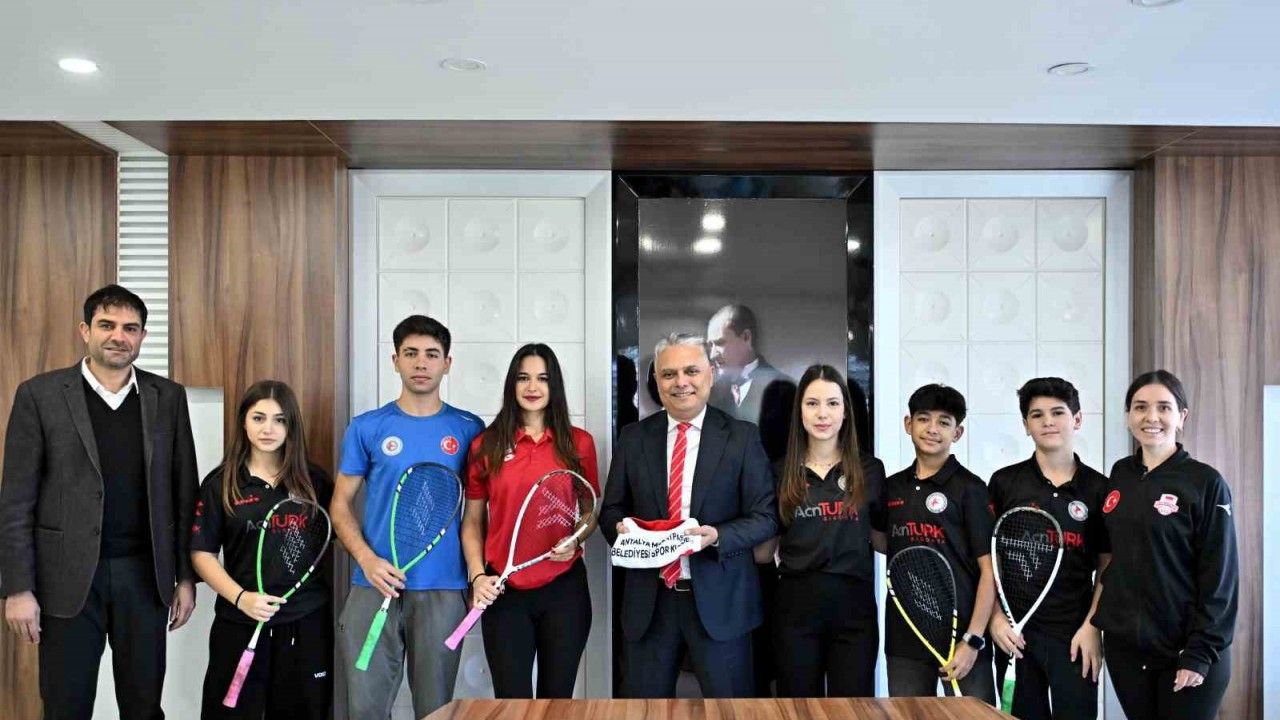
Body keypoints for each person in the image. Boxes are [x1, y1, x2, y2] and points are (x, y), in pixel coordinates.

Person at [0, 284, 198, 720]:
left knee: (143, 706)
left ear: (142, 336)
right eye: (107, 325)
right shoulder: (40, 396)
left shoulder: (168, 397)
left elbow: (184, 492)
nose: (118, 336)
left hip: (145, 578)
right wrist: (18, 587)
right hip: (66, 579)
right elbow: (15, 500)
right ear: (85, 330)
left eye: (130, 328)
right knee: (65, 707)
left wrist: (185, 576)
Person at [600, 332, 778, 698]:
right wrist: (620, 530)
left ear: (710, 374)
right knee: (643, 711)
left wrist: (718, 536)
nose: (681, 382)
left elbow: (765, 517)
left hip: (720, 603)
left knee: (731, 711)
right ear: (657, 381)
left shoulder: (742, 437)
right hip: (650, 606)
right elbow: (611, 510)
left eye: (691, 371)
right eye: (669, 374)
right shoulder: (633, 438)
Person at [330, 315, 484, 719]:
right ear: (395, 360)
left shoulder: (470, 429)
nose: (421, 363)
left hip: (444, 590)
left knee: (436, 710)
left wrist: (477, 575)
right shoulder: (367, 427)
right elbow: (339, 505)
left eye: (432, 354)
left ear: (447, 364)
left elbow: (476, 513)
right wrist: (367, 560)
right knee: (364, 709)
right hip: (373, 585)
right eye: (411, 353)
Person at [1091, 370, 1237, 720]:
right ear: (1128, 416)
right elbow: (1113, 559)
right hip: (1128, 650)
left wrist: (1200, 652)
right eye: (1140, 407)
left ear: (1181, 416)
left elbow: (1220, 577)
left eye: (1164, 407)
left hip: (1187, 650)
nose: (1151, 417)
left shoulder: (1205, 482)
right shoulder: (1120, 474)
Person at [461, 344, 600, 698]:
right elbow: (473, 521)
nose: (532, 387)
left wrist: (576, 538)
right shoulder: (486, 445)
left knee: (558, 703)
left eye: (543, 378)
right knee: (512, 705)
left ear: (555, 386)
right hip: (504, 590)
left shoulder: (579, 443)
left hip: (564, 589)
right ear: (512, 384)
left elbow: (590, 509)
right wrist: (477, 577)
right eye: (523, 378)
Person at [191, 380, 334, 719]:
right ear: (243, 422)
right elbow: (201, 554)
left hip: (305, 622)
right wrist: (242, 598)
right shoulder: (221, 483)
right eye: (258, 418)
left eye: (279, 420)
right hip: (239, 621)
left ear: (291, 426)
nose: (268, 429)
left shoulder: (314, 482)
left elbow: (341, 533)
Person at [987, 378, 1110, 720]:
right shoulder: (1004, 482)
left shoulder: (1099, 488)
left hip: (1075, 635)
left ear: (1077, 419)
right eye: (1037, 415)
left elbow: (1108, 565)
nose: (1048, 422)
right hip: (1014, 635)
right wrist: (995, 617)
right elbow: (988, 562)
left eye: (1058, 412)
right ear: (1026, 425)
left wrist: (1093, 627)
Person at [759, 365, 885, 697]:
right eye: (812, 403)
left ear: (846, 412)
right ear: (799, 411)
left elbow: (882, 541)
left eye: (832, 403)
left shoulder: (870, 469)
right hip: (795, 607)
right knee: (798, 709)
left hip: (854, 608)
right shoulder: (778, 471)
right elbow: (763, 552)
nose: (822, 414)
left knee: (854, 709)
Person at [872, 383, 997, 703]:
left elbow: (989, 571)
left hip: (962, 638)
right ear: (908, 424)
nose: (932, 429)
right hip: (905, 638)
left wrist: (973, 640)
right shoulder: (891, 487)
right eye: (924, 418)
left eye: (944, 422)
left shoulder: (971, 489)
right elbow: (885, 543)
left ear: (958, 433)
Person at [704, 303, 795, 696]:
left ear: (746, 337)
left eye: (719, 342)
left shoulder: (783, 388)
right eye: (709, 344)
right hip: (718, 536)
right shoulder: (711, 390)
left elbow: (785, 463)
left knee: (759, 656)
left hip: (763, 535)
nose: (713, 352)